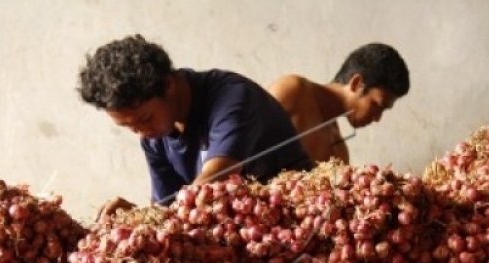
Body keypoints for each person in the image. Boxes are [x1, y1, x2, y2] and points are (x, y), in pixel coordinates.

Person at [78, 34, 313, 217]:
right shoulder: (154, 137)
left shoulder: (232, 98)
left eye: (144, 119)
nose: (141, 132)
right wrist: (137, 218)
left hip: (300, 224)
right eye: (129, 128)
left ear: (168, 85)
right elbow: (166, 210)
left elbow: (212, 182)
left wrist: (153, 219)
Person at [268, 43, 409, 164]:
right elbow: (247, 142)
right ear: (356, 83)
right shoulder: (294, 91)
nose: (377, 118)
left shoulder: (339, 153)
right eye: (378, 105)